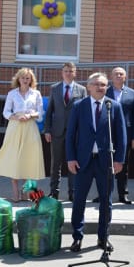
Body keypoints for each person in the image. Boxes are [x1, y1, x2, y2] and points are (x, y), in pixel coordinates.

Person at [66, 72, 127, 252]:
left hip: (105, 162)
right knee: (79, 200)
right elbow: (70, 135)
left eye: (104, 85)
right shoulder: (79, 106)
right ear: (88, 86)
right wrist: (71, 157)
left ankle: (103, 238)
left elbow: (121, 136)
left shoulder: (113, 106)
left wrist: (119, 160)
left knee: (106, 201)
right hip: (83, 161)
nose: (101, 88)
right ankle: (77, 237)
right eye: (97, 84)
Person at [0, 68, 45, 202]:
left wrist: (30, 115)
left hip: (30, 128)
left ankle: (25, 192)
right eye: (23, 78)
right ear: (18, 79)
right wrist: (16, 117)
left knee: (28, 159)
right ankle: (15, 193)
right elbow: (6, 112)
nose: (25, 80)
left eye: (28, 78)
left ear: (31, 80)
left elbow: (40, 113)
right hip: (15, 128)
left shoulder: (36, 94)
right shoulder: (12, 94)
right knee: (14, 159)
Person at [91, 67, 134, 204]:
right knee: (104, 165)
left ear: (125, 77)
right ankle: (103, 194)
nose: (118, 76)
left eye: (121, 74)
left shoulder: (133, 94)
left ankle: (122, 194)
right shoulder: (105, 92)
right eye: (116, 74)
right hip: (107, 133)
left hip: (126, 134)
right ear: (111, 77)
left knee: (123, 165)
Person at [44, 62, 87, 202]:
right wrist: (47, 130)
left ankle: (73, 192)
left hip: (75, 133)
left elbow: (84, 113)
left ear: (75, 73)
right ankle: (54, 192)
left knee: (73, 162)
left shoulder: (81, 90)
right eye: (66, 71)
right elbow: (49, 111)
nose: (68, 73)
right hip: (57, 131)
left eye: (71, 71)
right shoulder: (54, 88)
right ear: (62, 73)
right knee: (56, 163)